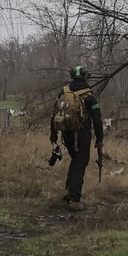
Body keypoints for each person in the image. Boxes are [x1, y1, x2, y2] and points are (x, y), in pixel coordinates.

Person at [49, 64, 105, 205]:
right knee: (81, 161)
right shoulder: (89, 95)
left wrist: (53, 136)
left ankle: (69, 190)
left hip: (66, 135)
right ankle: (73, 196)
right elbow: (97, 119)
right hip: (82, 135)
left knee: (76, 161)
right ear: (85, 76)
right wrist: (99, 139)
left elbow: (54, 114)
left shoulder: (63, 92)